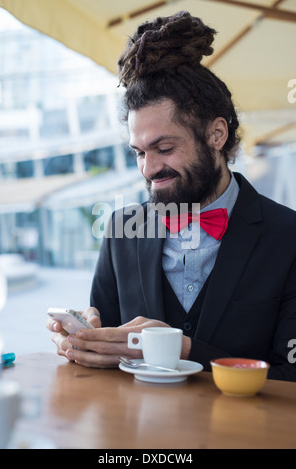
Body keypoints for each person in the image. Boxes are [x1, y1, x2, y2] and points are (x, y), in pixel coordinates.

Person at [47, 11, 296, 381]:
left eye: (164, 148)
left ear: (216, 135)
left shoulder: (288, 236)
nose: (148, 169)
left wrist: (185, 351)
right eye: (139, 152)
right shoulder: (121, 231)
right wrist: (85, 342)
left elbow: (290, 378)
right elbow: (112, 357)